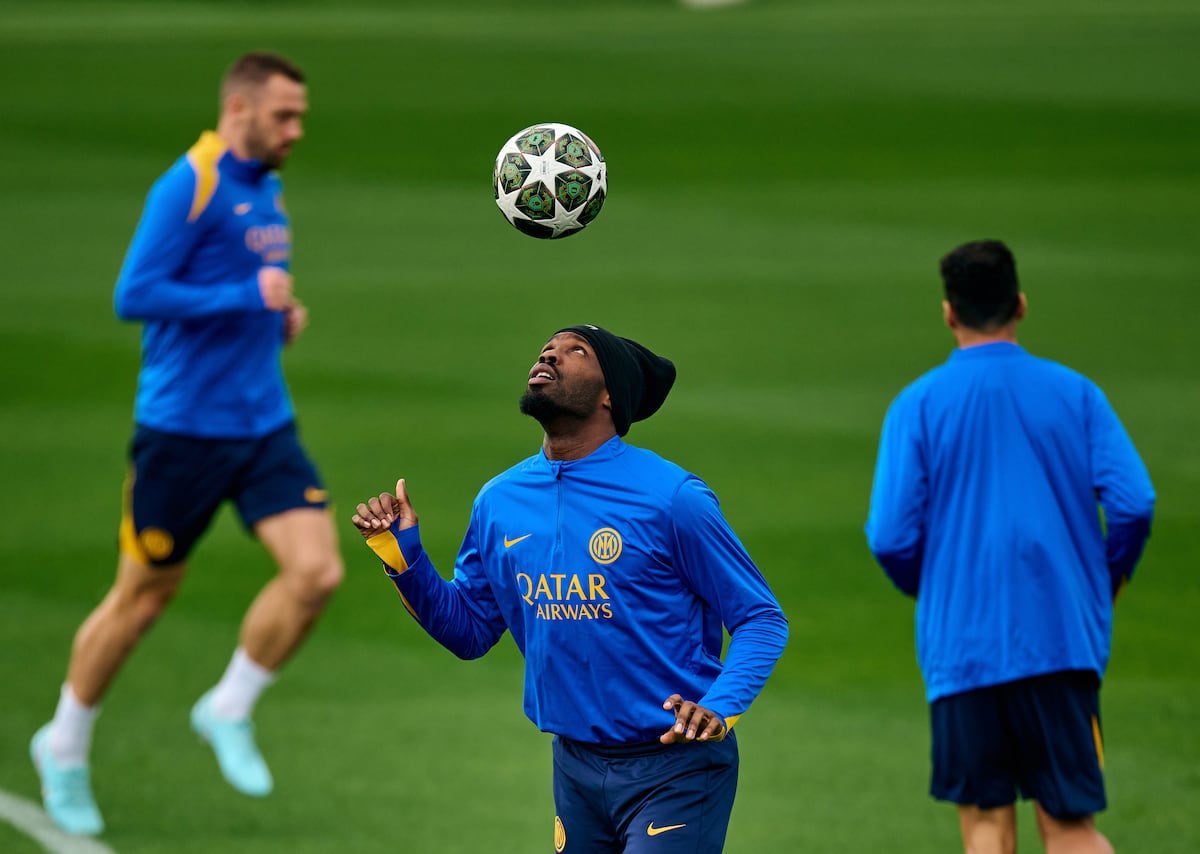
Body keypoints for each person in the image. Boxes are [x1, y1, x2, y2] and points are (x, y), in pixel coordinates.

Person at [30, 52, 344, 836]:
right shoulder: (190, 184)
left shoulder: (266, 187)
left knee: (317, 572)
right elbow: (134, 293)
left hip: (263, 424)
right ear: (239, 109)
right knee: (142, 600)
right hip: (181, 435)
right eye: (284, 116)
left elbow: (247, 297)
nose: (296, 130)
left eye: (300, 116)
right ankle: (63, 743)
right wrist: (246, 295)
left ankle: (228, 705)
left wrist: (277, 319)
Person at [352, 324, 788, 853]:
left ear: (610, 396)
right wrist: (404, 557)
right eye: (547, 349)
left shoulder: (673, 498)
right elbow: (468, 632)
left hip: (677, 766)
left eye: (576, 351)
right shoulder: (499, 501)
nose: (551, 355)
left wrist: (720, 706)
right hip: (575, 768)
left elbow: (761, 618)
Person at [865, 240, 1156, 854]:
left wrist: (935, 586)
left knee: (986, 828)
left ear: (949, 313)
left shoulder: (916, 406)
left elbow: (889, 535)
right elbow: (1134, 503)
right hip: (1060, 642)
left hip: (963, 650)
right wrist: (1106, 579)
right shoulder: (1076, 394)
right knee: (1071, 827)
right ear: (1021, 304)